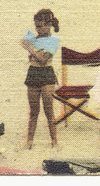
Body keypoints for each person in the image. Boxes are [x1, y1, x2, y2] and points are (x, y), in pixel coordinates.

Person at [22, 8, 60, 150]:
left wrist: (30, 49)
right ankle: (29, 141)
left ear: (48, 25)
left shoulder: (53, 41)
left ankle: (54, 140)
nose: (37, 29)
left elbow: (43, 59)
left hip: (46, 74)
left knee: (48, 110)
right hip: (33, 72)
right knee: (33, 111)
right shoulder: (35, 39)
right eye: (36, 26)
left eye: (40, 26)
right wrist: (33, 52)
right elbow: (35, 57)